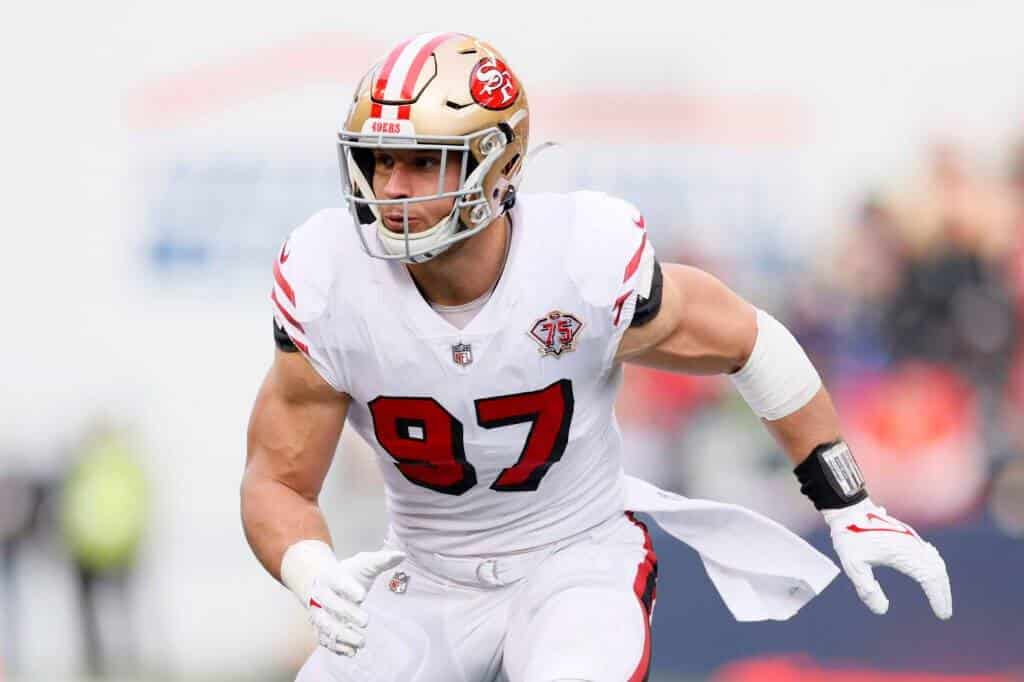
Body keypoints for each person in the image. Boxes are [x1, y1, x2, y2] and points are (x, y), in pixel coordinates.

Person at [242, 33, 952, 682]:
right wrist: (309, 568)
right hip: (423, 573)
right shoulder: (330, 277)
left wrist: (848, 502)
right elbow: (277, 479)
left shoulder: (579, 260)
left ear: (501, 165)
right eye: (379, 158)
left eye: (425, 162)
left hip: (573, 559)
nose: (391, 188)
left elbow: (748, 341)